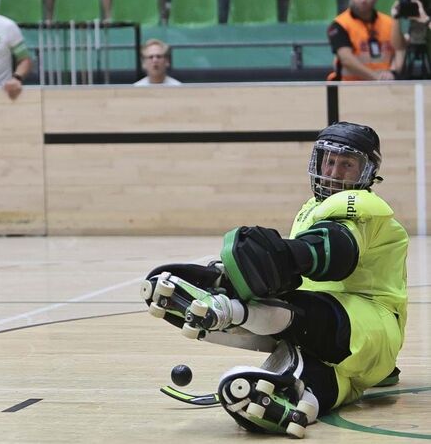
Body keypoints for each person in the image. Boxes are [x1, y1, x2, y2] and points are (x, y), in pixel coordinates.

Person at [142, 120, 407, 437]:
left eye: (347, 164)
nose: (334, 172)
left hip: (364, 326)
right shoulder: (312, 207)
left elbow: (336, 251)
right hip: (350, 350)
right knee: (315, 382)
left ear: (366, 172)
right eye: (329, 160)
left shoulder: (366, 206)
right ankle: (289, 399)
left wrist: (286, 255)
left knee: (294, 304)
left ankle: (231, 307)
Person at [327, 0, 405, 81]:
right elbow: (346, 59)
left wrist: (393, 72)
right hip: (349, 87)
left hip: (385, 85)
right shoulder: (339, 25)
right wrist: (375, 77)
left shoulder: (389, 22)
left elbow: (399, 49)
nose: (363, 0)